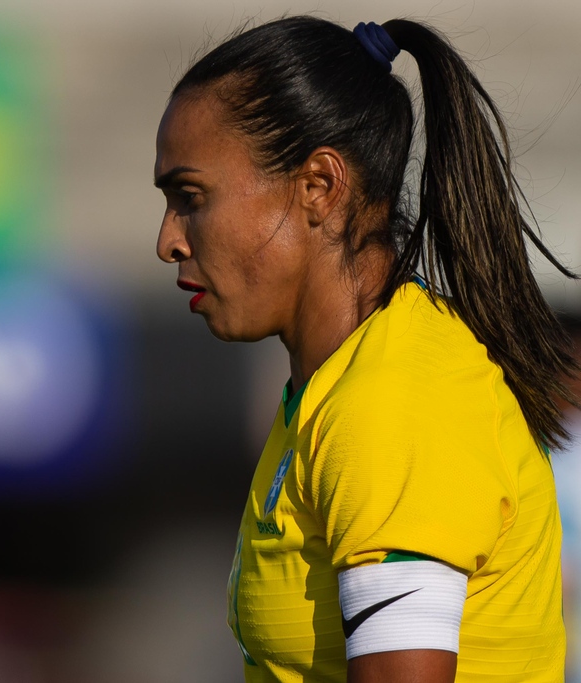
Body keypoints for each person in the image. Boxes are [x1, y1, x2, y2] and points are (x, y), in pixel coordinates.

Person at [154, 16, 577, 683]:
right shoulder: (334, 390)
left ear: (319, 186)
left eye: (190, 196)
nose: (169, 240)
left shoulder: (392, 400)